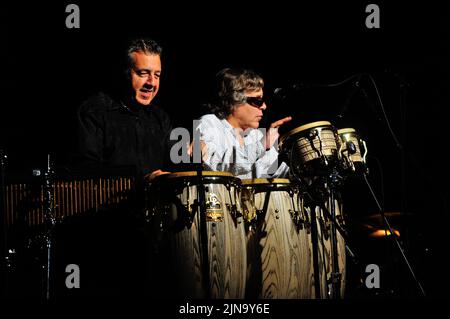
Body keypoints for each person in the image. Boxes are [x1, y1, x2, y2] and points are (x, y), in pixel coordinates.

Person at [75, 38, 171, 181]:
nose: (151, 83)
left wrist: (191, 156)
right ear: (125, 72)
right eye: (143, 73)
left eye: (157, 75)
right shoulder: (94, 112)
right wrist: (142, 182)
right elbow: (85, 173)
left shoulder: (160, 118)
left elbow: (174, 167)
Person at [192, 68, 292, 179]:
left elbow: (275, 173)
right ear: (234, 101)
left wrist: (302, 164)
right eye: (258, 101)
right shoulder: (208, 124)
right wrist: (261, 145)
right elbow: (214, 164)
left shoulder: (255, 135)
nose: (264, 106)